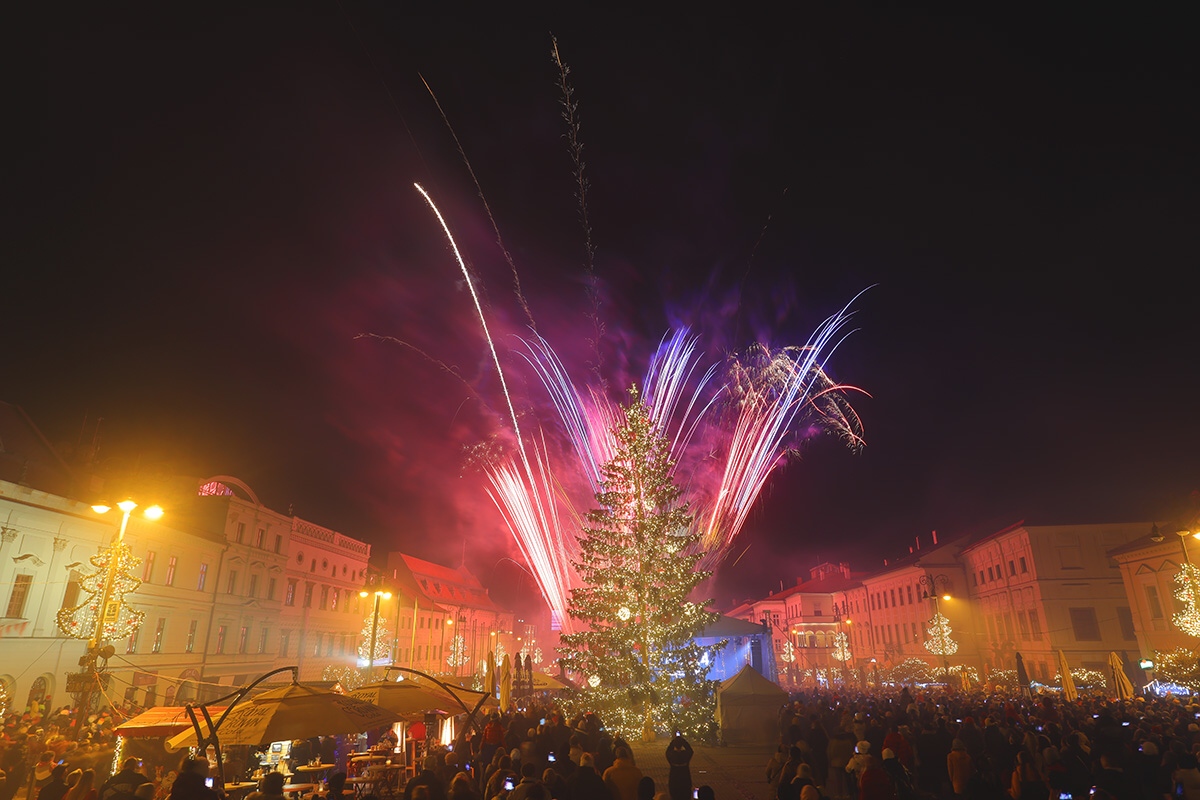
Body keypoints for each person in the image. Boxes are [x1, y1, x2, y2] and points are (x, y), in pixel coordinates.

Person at [664, 735, 693, 800]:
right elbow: (690, 750)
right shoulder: (685, 755)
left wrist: (673, 741)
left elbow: (667, 751)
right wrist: (683, 741)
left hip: (674, 779)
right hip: (685, 779)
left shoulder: (671, 755)